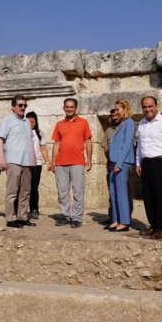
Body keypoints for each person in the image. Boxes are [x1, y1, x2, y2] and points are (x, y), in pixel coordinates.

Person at [135, 96, 162, 239]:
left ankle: (160, 228)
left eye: (150, 106)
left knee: (160, 196)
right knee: (148, 197)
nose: (147, 109)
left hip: (161, 162)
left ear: (156, 106)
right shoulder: (141, 124)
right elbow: (140, 146)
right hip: (146, 163)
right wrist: (138, 162)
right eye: (145, 107)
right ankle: (152, 225)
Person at [50, 98, 92, 229]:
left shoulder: (83, 123)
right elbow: (56, 144)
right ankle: (65, 216)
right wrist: (53, 161)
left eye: (72, 107)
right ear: (64, 108)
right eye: (67, 107)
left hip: (77, 162)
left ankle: (76, 218)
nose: (69, 109)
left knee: (78, 191)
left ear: (76, 108)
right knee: (62, 191)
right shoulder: (59, 124)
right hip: (61, 163)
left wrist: (89, 160)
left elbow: (88, 142)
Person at [0, 95, 36, 228]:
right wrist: (1, 158)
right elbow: (0, 139)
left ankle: (22, 217)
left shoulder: (26, 122)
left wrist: (34, 158)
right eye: (20, 105)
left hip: (27, 161)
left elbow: (30, 141)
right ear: (13, 107)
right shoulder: (7, 120)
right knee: (12, 191)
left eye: (25, 105)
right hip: (13, 160)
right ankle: (10, 218)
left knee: (26, 191)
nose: (23, 108)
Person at [105, 99, 136, 232]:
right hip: (114, 162)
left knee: (121, 192)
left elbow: (128, 144)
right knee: (113, 192)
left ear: (125, 109)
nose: (116, 112)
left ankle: (124, 222)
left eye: (118, 109)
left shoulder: (129, 123)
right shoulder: (122, 124)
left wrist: (119, 163)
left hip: (122, 162)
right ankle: (116, 219)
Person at [26, 111, 50, 220]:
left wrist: (48, 162)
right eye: (29, 122)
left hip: (37, 164)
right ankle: (20, 209)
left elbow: (43, 148)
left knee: (34, 187)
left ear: (36, 122)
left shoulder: (39, 133)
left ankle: (34, 209)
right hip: (25, 163)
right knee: (24, 187)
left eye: (33, 122)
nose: (31, 124)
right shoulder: (21, 132)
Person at [100, 109, 119, 224]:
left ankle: (125, 217)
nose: (115, 117)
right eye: (113, 116)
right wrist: (110, 160)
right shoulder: (108, 131)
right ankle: (113, 217)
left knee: (125, 192)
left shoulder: (127, 129)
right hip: (111, 165)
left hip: (124, 166)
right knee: (112, 192)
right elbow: (105, 148)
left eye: (117, 115)